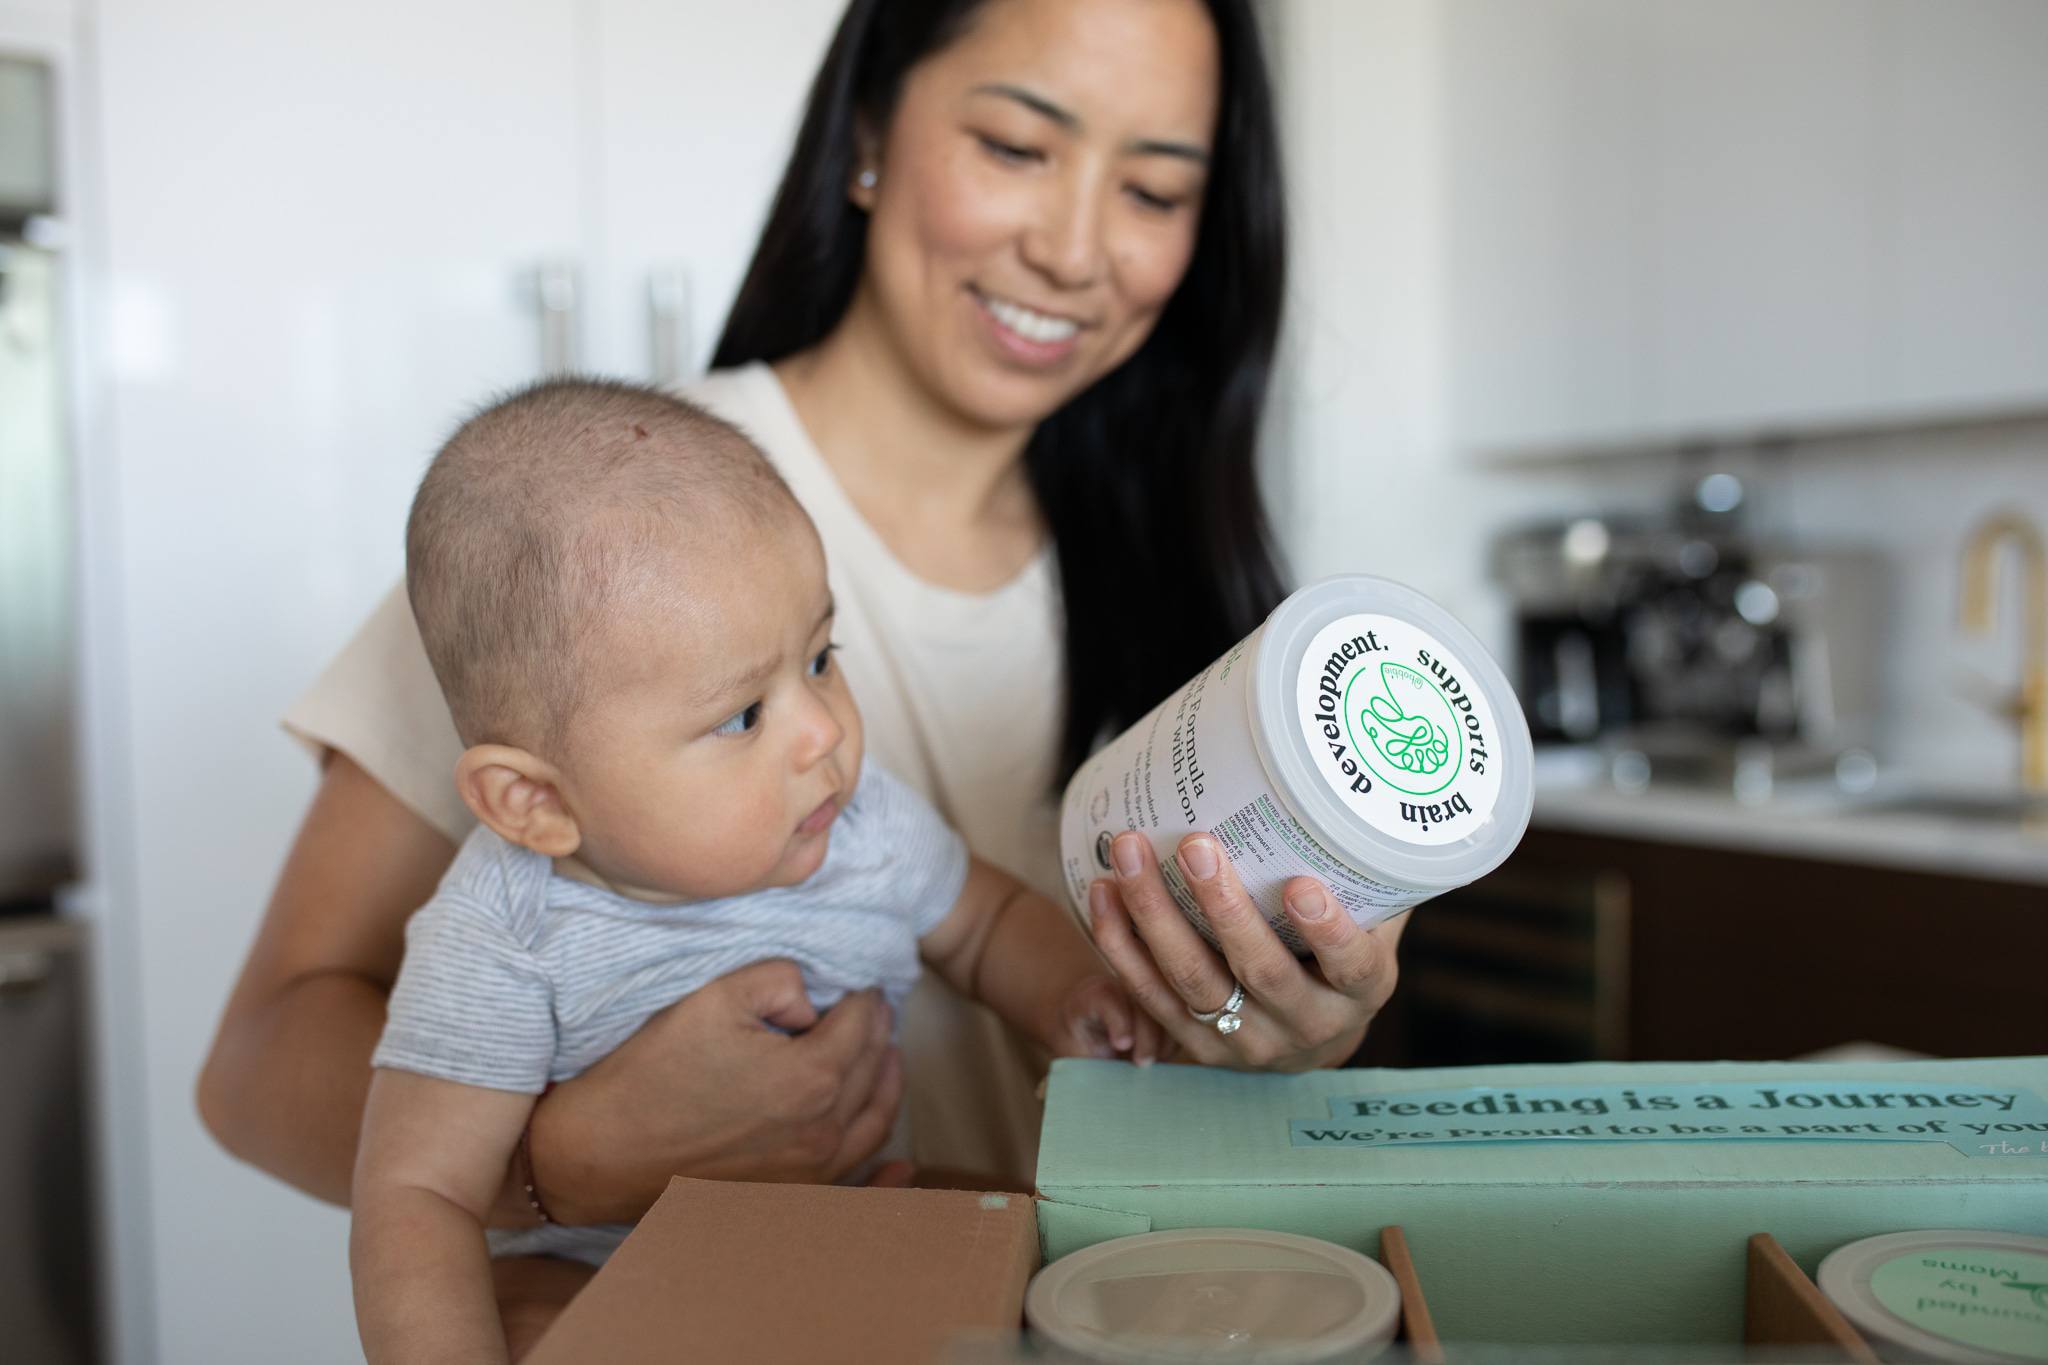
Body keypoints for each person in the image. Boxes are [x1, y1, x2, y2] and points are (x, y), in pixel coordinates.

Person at [200, 0, 1404, 1327]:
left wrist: (1294, 1028)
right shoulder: (606, 533)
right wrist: (565, 1164)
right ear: (871, 133)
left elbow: (1095, 1004)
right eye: (1015, 145)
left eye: (1156, 187)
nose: (1074, 249)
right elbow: (255, 1065)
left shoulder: (1184, 571)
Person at [350, 378, 1156, 1363]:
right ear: (539, 804)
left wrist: (1068, 999)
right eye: (742, 715)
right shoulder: (504, 929)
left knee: (1019, 1243)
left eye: (820, 656)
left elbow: (982, 926)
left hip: (861, 1217)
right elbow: (415, 1197)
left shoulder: (857, 823)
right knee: (531, 1320)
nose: (822, 730)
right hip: (594, 1269)